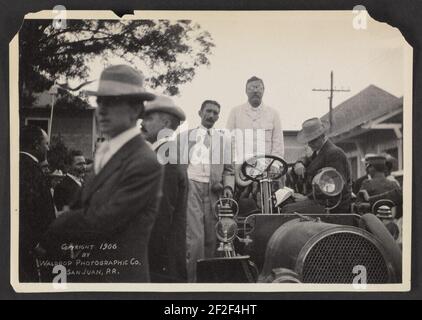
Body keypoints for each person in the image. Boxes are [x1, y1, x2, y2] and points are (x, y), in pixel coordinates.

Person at [41, 64, 162, 282]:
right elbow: (82, 207)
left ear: (136, 109)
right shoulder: (105, 153)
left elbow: (100, 220)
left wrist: (52, 230)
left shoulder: (144, 161)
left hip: (120, 282)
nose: (102, 110)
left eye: (112, 101)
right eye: (100, 101)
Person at [181, 100, 235, 282]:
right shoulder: (186, 137)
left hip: (214, 192)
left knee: (213, 239)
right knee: (195, 239)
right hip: (192, 188)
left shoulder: (224, 140)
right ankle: (193, 284)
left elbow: (229, 169)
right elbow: (177, 167)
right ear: (200, 112)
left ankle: (209, 284)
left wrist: (227, 187)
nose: (212, 116)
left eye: (215, 113)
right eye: (208, 111)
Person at [141, 95, 188, 283]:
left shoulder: (165, 158)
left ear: (165, 123)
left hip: (160, 264)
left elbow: (160, 218)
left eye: (148, 118)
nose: (142, 123)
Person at [281, 117, 352, 213]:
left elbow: (334, 187)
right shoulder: (319, 151)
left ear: (323, 136)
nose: (310, 144)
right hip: (320, 201)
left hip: (332, 206)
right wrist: (299, 163)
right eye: (308, 141)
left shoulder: (334, 154)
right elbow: (307, 159)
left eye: (313, 140)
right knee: (284, 203)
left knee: (288, 210)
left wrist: (307, 198)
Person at [19, 125, 56, 282]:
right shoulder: (28, 168)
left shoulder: (20, 164)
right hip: (31, 249)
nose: (48, 148)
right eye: (45, 143)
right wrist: (33, 244)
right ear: (35, 144)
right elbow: (23, 210)